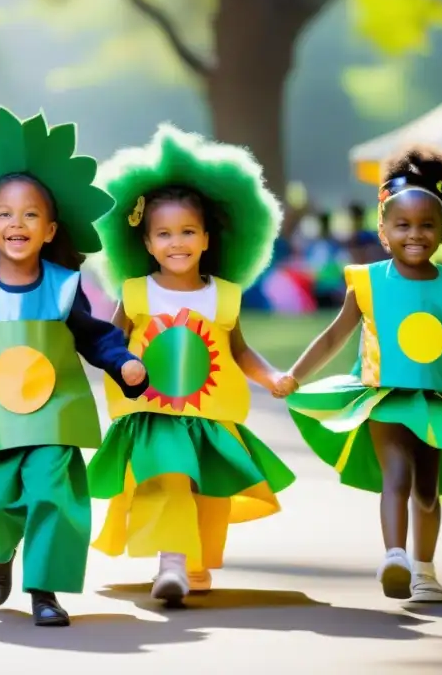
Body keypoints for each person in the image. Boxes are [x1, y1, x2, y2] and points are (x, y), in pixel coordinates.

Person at [274, 143, 442, 603]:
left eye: (426, 226)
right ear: (383, 231)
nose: (414, 235)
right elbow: (331, 338)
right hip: (384, 398)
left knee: (427, 489)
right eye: (402, 225)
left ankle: (425, 569)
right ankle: (395, 556)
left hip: (437, 403)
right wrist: (295, 375)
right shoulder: (365, 281)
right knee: (396, 477)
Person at [0, 107, 149, 627]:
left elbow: (96, 337)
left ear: (48, 230)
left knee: (53, 495)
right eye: (4, 214)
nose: (16, 224)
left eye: (29, 216)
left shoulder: (64, 286)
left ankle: (44, 589)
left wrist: (125, 364)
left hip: (53, 418)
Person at [87, 125, 296, 606]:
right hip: (155, 414)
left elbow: (240, 350)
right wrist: (122, 366)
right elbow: (111, 342)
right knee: (169, 478)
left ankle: (193, 562)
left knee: (207, 491)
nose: (176, 242)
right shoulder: (137, 293)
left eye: (187, 232)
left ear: (206, 239)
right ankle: (172, 563)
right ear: (145, 243)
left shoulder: (223, 295)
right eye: (163, 234)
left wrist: (271, 377)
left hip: (208, 416)